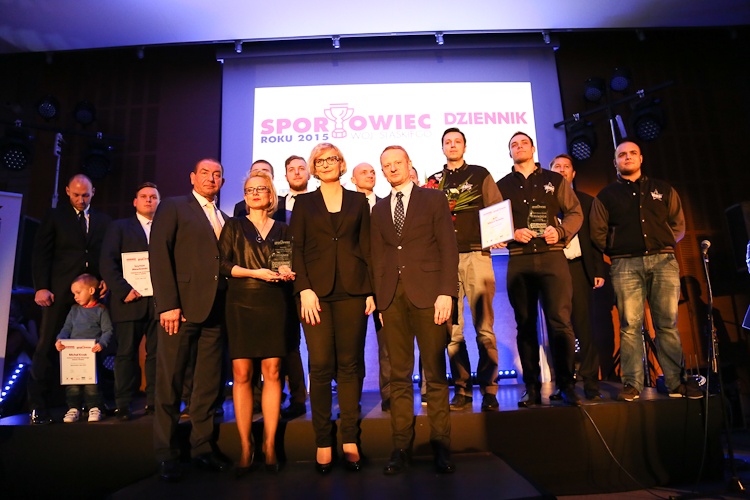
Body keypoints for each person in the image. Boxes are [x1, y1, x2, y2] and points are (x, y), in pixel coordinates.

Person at [590, 141, 702, 401]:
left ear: (641, 158)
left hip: (663, 262)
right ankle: (632, 384)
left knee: (667, 324)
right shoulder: (606, 196)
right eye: (622, 155)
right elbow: (597, 233)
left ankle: (676, 382)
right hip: (625, 265)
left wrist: (663, 244)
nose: (627, 157)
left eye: (632, 153)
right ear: (615, 162)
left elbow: (678, 225)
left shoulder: (664, 190)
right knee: (630, 325)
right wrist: (619, 249)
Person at [372, 145, 458, 475]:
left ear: (409, 164)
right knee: (399, 377)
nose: (393, 168)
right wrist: (381, 301)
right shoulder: (379, 208)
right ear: (383, 171)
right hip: (392, 300)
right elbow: (377, 257)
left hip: (430, 297)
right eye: (387, 165)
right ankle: (401, 449)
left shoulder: (433, 199)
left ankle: (441, 446)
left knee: (434, 374)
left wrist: (446, 293)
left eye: (398, 162)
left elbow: (448, 248)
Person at [290, 142, 375, 474]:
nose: (326, 164)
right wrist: (304, 289)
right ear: (313, 167)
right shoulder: (304, 202)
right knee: (321, 365)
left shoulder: (358, 200)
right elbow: (296, 248)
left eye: (332, 159)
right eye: (319, 160)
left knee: (350, 365)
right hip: (316, 295)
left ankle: (350, 438)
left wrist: (371, 290)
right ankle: (323, 441)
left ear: (342, 164)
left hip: (354, 291)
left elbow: (366, 246)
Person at [149, 158, 231, 481]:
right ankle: (166, 453)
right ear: (192, 177)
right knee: (169, 382)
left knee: (207, 385)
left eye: (217, 174)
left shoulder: (223, 217)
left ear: (222, 181)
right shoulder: (173, 206)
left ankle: (202, 448)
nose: (211, 178)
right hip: (180, 311)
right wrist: (168, 304)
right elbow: (159, 254)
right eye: (205, 173)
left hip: (216, 310)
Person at [496, 131, 583, 407]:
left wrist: (561, 231)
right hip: (519, 258)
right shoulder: (501, 185)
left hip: (551, 257)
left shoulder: (554, 180)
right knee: (525, 325)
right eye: (514, 145)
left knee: (560, 323)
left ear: (533, 148)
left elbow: (575, 213)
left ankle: (566, 385)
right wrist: (511, 233)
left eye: (524, 143)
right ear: (509, 152)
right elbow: (492, 222)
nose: (519, 147)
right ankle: (532, 388)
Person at [219, 170, 297, 476]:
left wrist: (285, 272)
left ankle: (269, 444)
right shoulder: (233, 225)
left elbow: (282, 265)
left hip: (274, 302)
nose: (254, 193)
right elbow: (223, 265)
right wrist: (255, 273)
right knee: (241, 373)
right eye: (250, 189)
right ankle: (245, 445)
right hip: (240, 302)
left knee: (273, 371)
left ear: (271, 195)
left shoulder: (283, 228)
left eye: (261, 189)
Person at [427, 127, 503, 411]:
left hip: (477, 254)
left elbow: (496, 208)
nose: (452, 145)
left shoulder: (480, 174)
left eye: (457, 141)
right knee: (452, 330)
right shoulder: (434, 181)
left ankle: (490, 389)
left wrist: (498, 235)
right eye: (447, 142)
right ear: (442, 148)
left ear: (464, 146)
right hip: (445, 261)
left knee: (484, 327)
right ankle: (462, 389)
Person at [29, 174, 111, 425]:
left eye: (85, 194)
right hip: (59, 291)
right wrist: (42, 287)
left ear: (93, 192)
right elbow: (41, 254)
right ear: (67, 191)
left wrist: (104, 279)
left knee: (96, 345)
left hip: (92, 293)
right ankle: (38, 406)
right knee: (47, 345)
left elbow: (106, 254)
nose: (81, 199)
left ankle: (94, 402)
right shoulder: (55, 216)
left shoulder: (103, 220)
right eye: (76, 194)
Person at [100, 182, 161, 420]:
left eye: (153, 197)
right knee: (125, 353)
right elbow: (108, 262)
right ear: (135, 202)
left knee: (156, 355)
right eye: (144, 196)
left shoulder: (166, 226)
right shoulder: (119, 227)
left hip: (159, 302)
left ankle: (154, 402)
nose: (148, 200)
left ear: (159, 202)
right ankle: (123, 404)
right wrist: (123, 290)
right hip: (129, 301)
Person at [549, 155, 606, 400]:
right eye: (557, 167)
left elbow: (596, 239)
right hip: (553, 269)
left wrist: (598, 270)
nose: (562, 170)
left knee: (584, 326)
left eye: (566, 167)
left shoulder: (587, 202)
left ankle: (591, 382)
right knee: (558, 328)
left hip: (580, 268)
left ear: (573, 174)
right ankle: (564, 383)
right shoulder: (544, 202)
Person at [351, 161, 390, 411]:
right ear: (353, 180)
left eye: (373, 171)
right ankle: (351, 396)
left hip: (384, 281)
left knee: (387, 342)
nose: (370, 175)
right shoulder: (346, 207)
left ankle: (390, 395)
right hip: (355, 282)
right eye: (363, 172)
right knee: (353, 345)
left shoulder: (386, 205)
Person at [277, 155, 311, 420]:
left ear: (309, 173)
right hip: (281, 284)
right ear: (285, 175)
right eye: (292, 169)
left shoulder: (320, 201)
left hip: (313, 281)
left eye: (301, 168)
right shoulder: (274, 206)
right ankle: (297, 397)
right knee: (288, 343)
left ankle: (331, 393)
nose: (297, 173)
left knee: (321, 343)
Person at [55, 274, 114, 423]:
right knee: (72, 383)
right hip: (73, 355)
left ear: (91, 291)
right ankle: (74, 408)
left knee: (92, 384)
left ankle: (94, 407)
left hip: (91, 355)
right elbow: (66, 328)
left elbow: (108, 330)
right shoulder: (74, 310)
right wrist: (60, 340)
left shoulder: (101, 310)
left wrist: (102, 344)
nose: (75, 296)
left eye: (78, 292)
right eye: (73, 293)